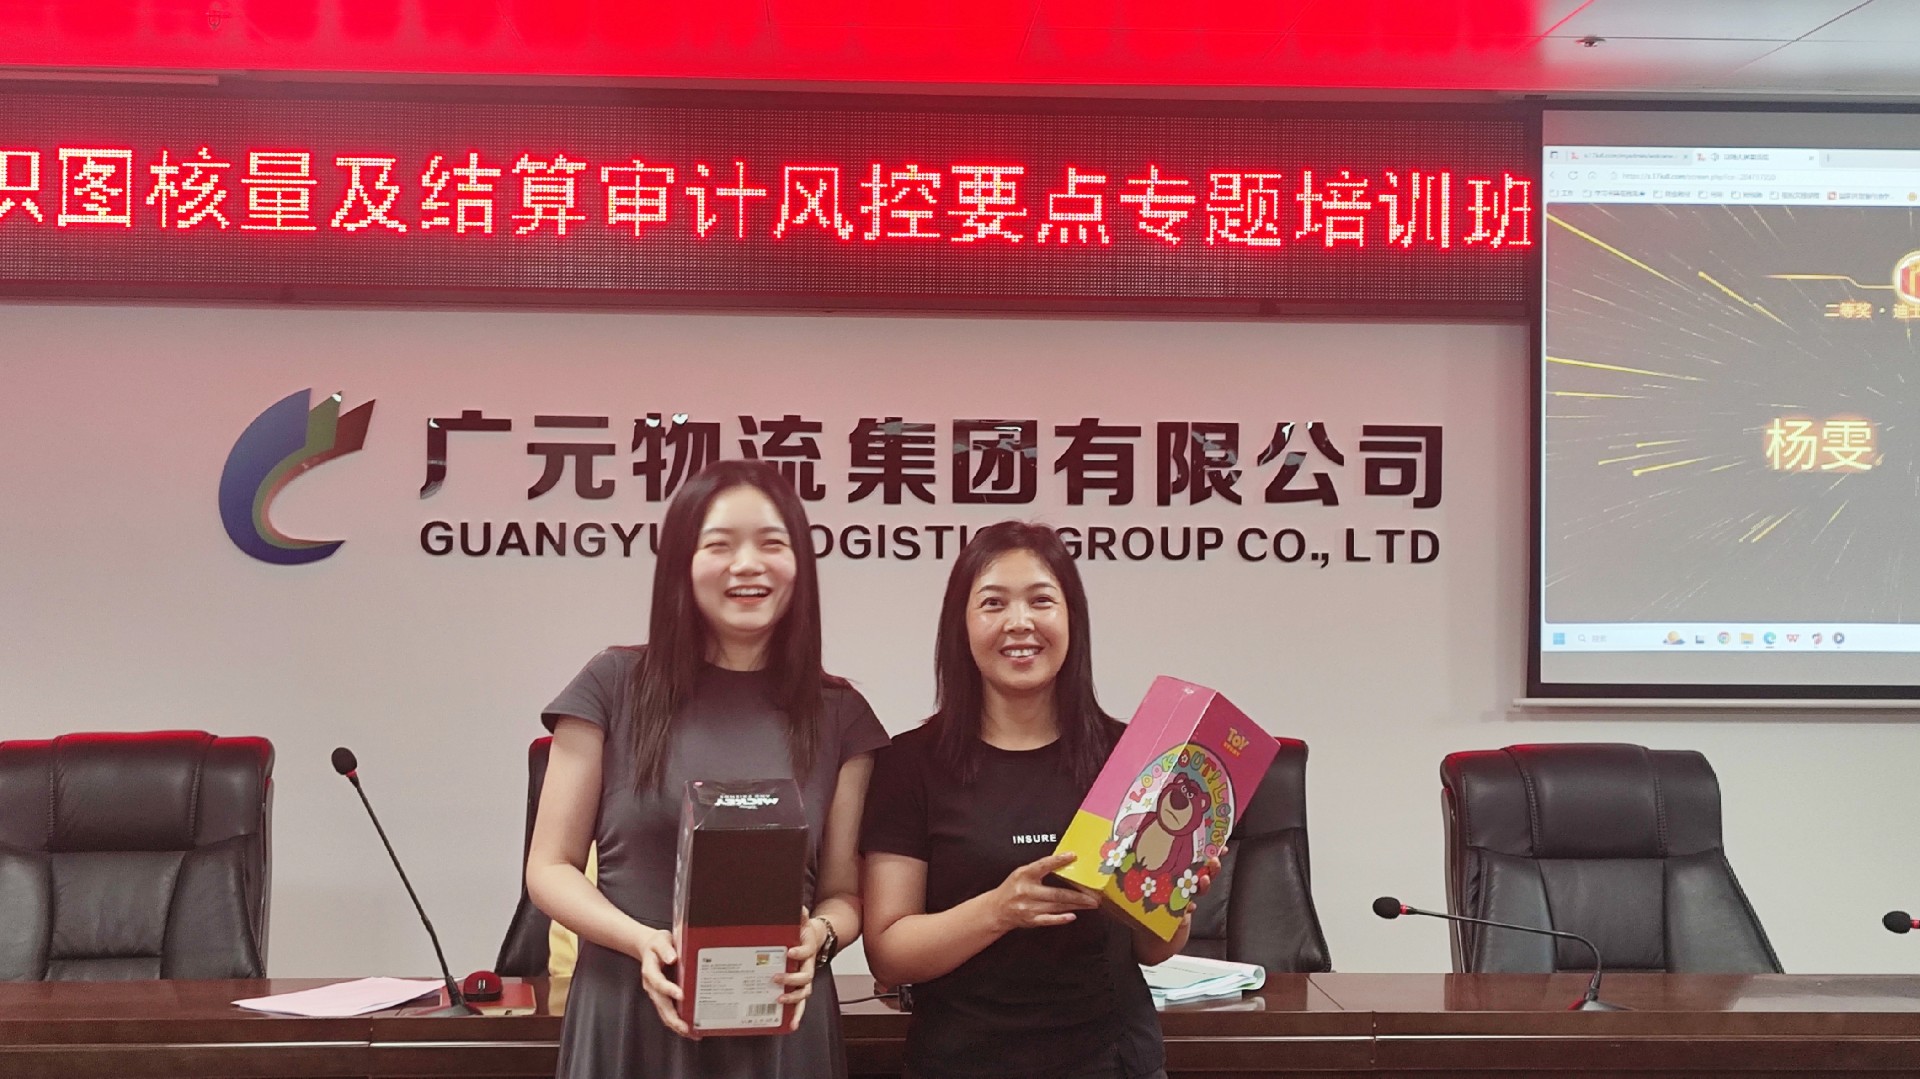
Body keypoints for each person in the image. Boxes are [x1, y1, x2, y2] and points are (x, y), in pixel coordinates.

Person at [527, 459, 889, 1079]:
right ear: (681, 564)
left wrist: (821, 936)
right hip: (631, 1009)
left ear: (800, 564)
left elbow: (842, 892)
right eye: (719, 545)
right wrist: (642, 941)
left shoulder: (840, 713)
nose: (747, 564)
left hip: (779, 1019)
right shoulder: (611, 685)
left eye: (771, 544)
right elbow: (549, 868)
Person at [860, 521, 1213, 1079]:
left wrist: (1173, 902)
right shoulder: (910, 764)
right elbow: (888, 952)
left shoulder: (1134, 757)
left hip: (1112, 1062)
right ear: (961, 625)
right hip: (961, 1064)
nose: (1019, 622)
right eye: (993, 603)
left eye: (1041, 601)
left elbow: (1152, 951)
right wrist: (999, 911)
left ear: (1072, 619)